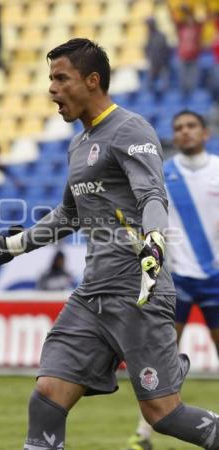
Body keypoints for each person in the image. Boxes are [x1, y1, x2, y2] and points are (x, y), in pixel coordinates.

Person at [0, 39, 219, 450]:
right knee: (46, 397)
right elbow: (68, 215)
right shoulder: (78, 145)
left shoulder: (131, 129)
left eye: (61, 78)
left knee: (165, 416)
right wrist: (8, 248)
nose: (52, 89)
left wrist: (153, 243)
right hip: (92, 295)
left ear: (92, 81)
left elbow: (152, 195)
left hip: (139, 293)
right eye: (50, 80)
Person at [126, 110, 219, 450]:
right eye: (178, 127)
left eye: (191, 126)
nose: (184, 132)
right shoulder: (164, 176)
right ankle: (143, 435)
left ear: (205, 133)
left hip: (215, 278)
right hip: (174, 280)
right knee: (161, 360)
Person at [169, 3, 204, 97]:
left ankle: (193, 96)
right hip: (183, 56)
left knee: (193, 79)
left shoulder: (197, 28)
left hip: (194, 57)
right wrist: (180, 10)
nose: (190, 20)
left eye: (191, 18)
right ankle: (183, 95)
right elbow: (174, 19)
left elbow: (202, 18)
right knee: (182, 79)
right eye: (187, 18)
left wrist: (189, 12)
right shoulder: (181, 27)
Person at [145, 17, 171, 96]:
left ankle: (165, 97)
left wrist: (162, 60)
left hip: (162, 63)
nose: (149, 26)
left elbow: (166, 50)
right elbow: (148, 49)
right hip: (154, 63)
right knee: (149, 84)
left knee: (165, 84)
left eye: (150, 25)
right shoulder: (149, 36)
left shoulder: (161, 36)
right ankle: (152, 95)